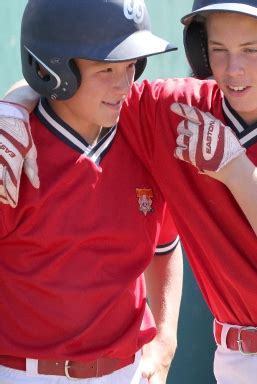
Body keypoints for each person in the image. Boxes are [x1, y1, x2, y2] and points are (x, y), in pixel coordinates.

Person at [2, 0, 257, 382]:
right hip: (238, 358)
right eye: (218, 50)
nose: (233, 68)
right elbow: (68, 82)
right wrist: (12, 107)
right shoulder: (173, 111)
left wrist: (237, 170)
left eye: (251, 50)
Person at [0, 0, 183, 383]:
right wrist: (13, 105)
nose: (124, 84)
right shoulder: (14, 150)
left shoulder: (142, 130)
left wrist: (165, 340)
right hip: (26, 373)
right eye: (106, 69)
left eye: (131, 66)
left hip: (128, 372)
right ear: (53, 69)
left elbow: (165, 247)